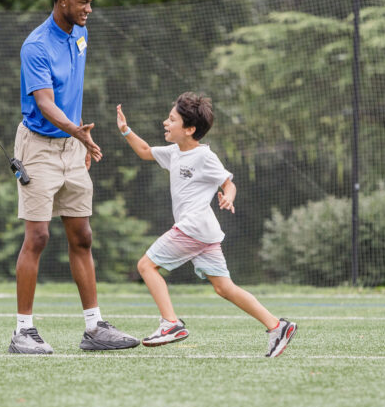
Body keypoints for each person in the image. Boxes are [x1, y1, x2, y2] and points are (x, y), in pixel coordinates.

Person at [9, 0, 139, 354]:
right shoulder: (36, 46)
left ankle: (94, 328)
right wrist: (76, 132)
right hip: (38, 147)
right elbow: (45, 102)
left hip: (71, 144)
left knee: (82, 236)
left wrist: (80, 139)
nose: (88, 9)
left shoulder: (81, 33)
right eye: (82, 2)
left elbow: (71, 94)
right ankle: (22, 332)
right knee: (38, 236)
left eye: (91, 2)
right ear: (62, 0)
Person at [116, 93, 297, 357]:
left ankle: (170, 324)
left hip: (194, 228)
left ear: (189, 129)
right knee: (224, 288)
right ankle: (277, 326)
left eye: (172, 119)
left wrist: (229, 197)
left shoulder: (205, 157)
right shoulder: (174, 153)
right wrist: (125, 130)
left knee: (146, 265)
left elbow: (228, 182)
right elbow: (145, 151)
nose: (165, 122)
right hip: (205, 234)